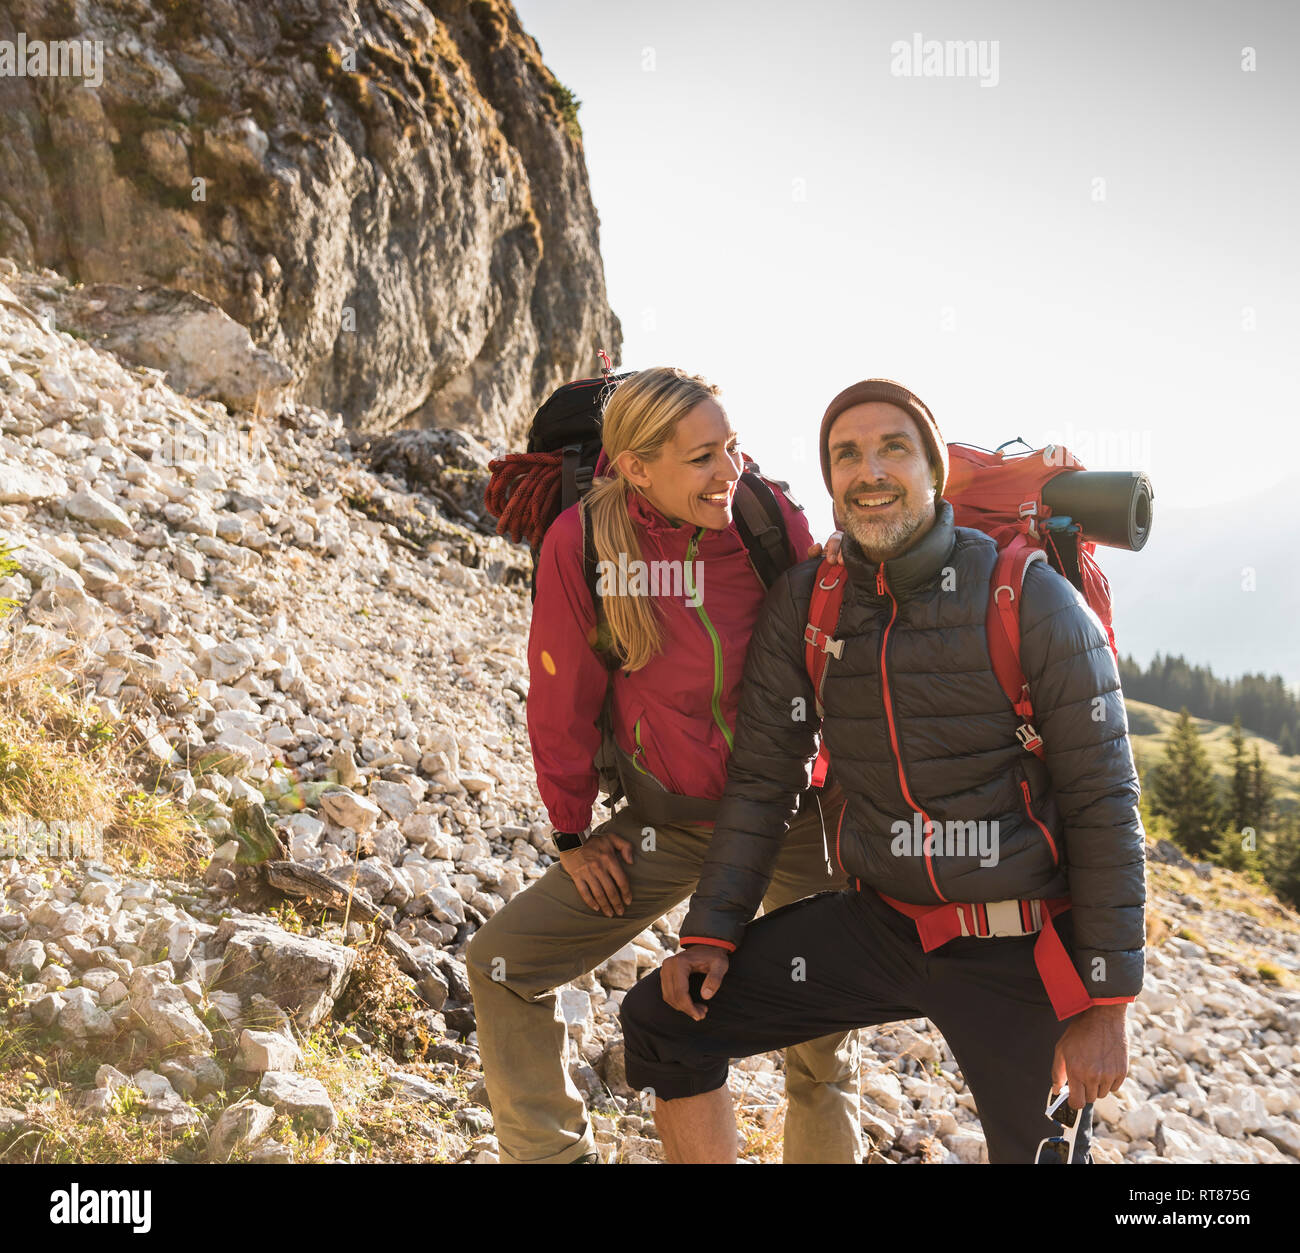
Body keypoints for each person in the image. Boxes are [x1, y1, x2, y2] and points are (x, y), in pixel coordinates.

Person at [620, 378, 1146, 1164]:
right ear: (830, 480)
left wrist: (1107, 1002)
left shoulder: (1027, 597)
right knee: (666, 1019)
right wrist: (712, 932)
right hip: (881, 924)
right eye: (847, 454)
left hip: (1019, 942)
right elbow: (765, 777)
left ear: (934, 472)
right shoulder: (809, 603)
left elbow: (1105, 800)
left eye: (893, 448)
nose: (870, 470)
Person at [466, 367, 862, 1164]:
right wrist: (574, 836)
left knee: (822, 1049)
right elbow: (560, 694)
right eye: (704, 457)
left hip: (789, 816)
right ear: (637, 467)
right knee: (502, 965)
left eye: (734, 447)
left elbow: (832, 645)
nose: (730, 471)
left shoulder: (761, 514)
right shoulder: (582, 545)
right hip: (670, 820)